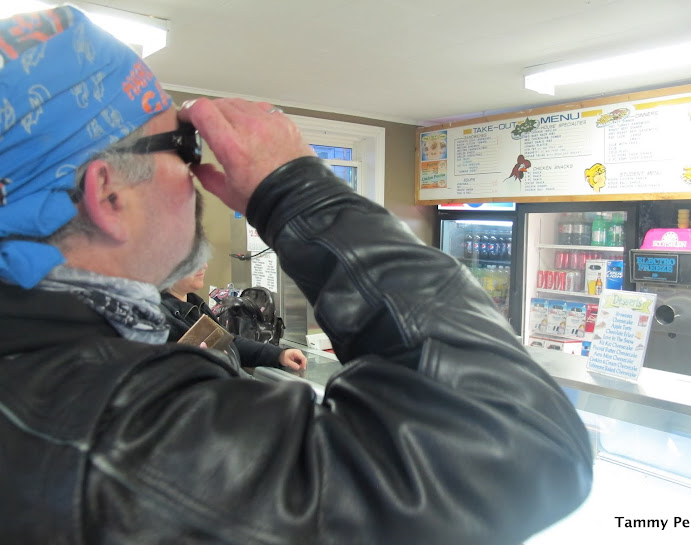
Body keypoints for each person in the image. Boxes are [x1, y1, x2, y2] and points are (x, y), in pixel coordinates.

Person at [0, 7, 593, 544]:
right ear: (109, 195)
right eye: (183, 146)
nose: (197, 172)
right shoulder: (116, 429)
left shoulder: (51, 363)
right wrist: (301, 193)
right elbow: (520, 442)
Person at [161, 263, 307, 371]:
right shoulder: (160, 320)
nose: (204, 265)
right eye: (193, 258)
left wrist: (278, 355)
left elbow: (229, 342)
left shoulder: (195, 304)